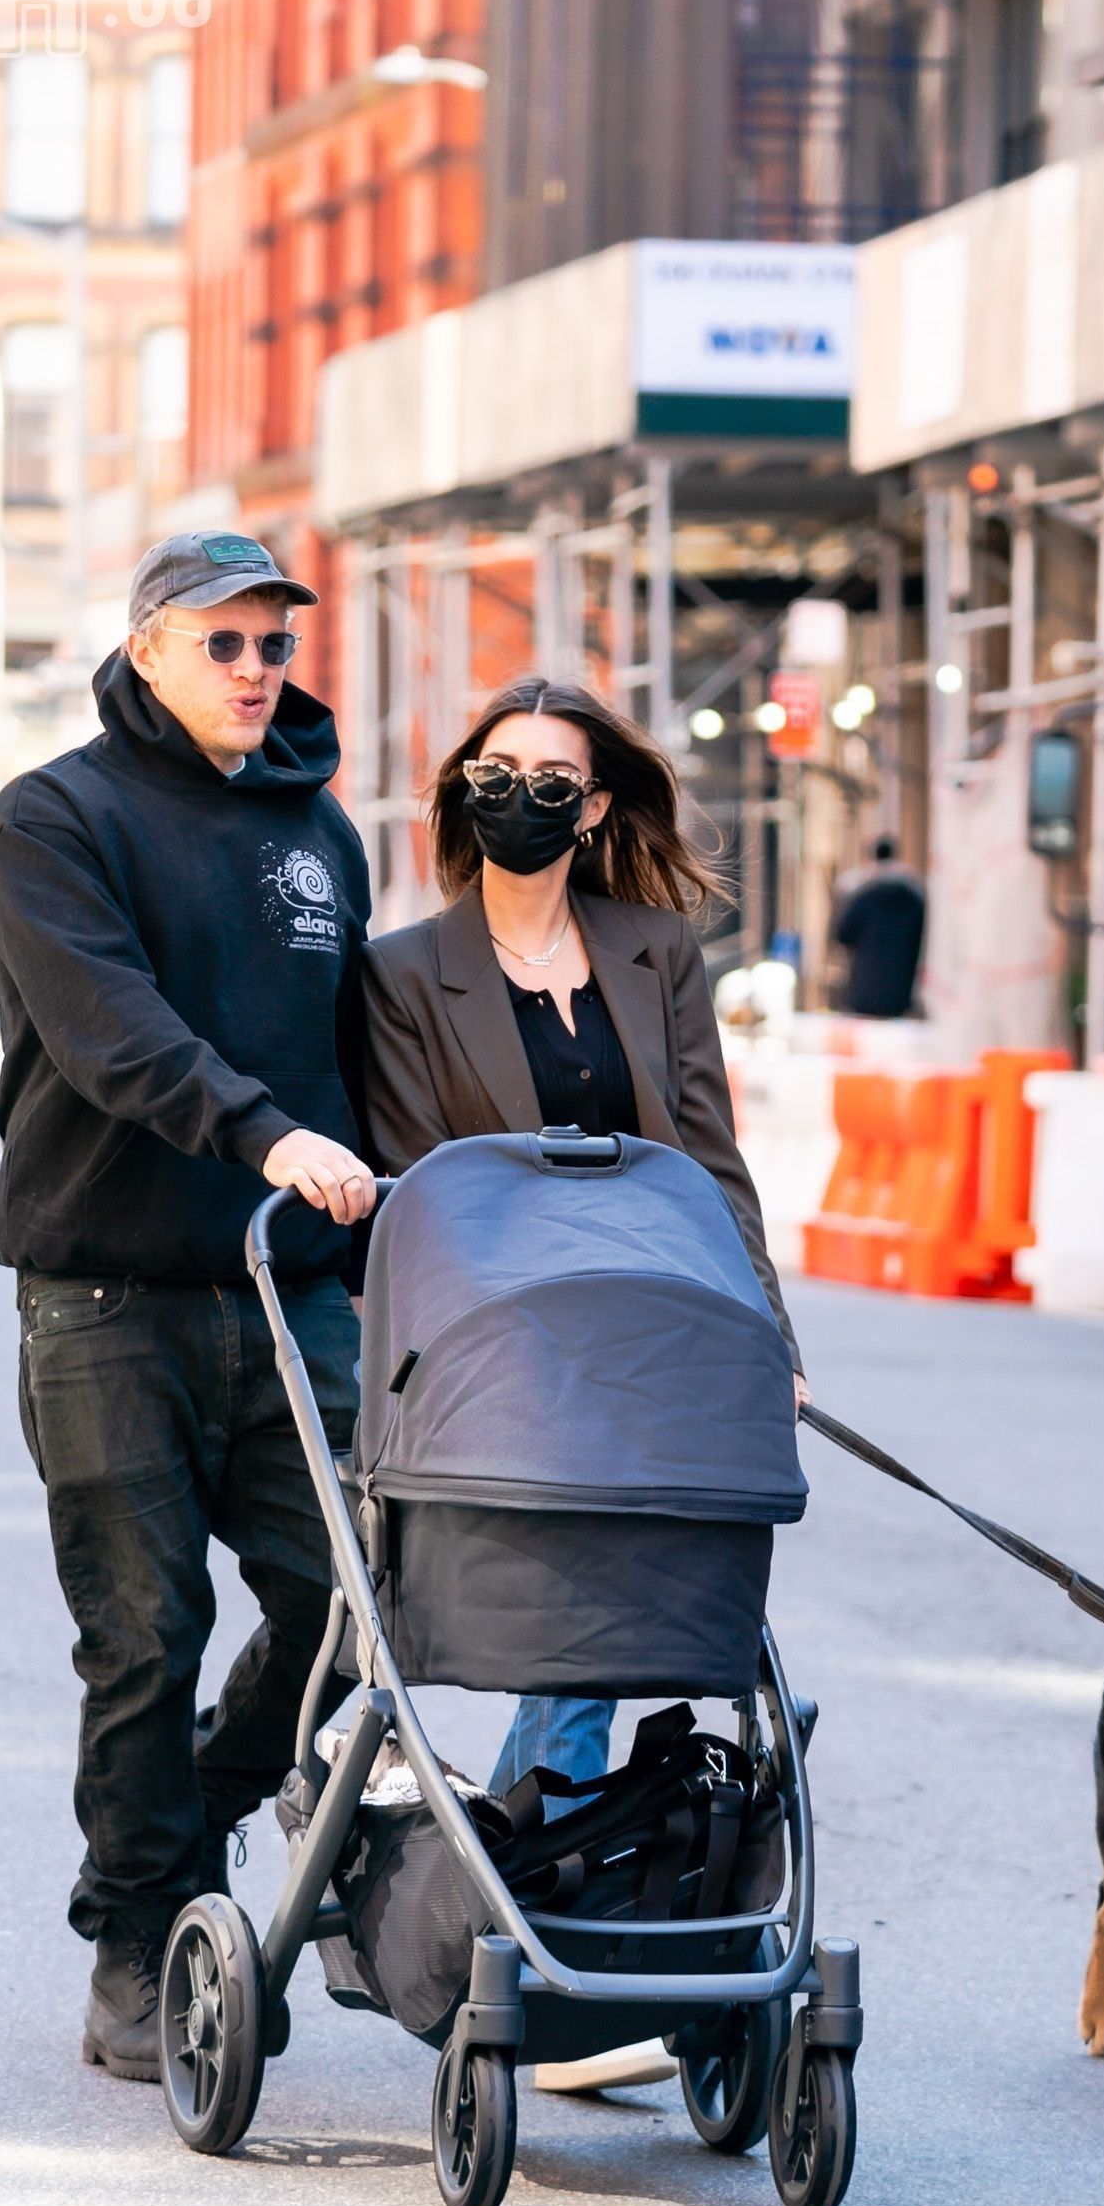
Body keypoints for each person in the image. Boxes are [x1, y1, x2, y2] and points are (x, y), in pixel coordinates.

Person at [0, 532, 378, 2080]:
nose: (257, 669)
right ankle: (138, 1943)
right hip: (105, 1294)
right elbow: (108, 1032)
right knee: (144, 1632)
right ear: (147, 648)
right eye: (224, 643)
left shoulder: (317, 835)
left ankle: (192, 1812)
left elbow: (361, 1063)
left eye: (275, 643)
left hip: (292, 1301)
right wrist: (264, 1131)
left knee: (363, 1604)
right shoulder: (52, 820)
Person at [360, 673, 804, 1809]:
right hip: (505, 1334)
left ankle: (526, 1863)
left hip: (657, 1322)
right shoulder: (404, 972)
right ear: (465, 790)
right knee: (579, 1607)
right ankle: (535, 1864)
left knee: (614, 1612)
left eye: (553, 781)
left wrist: (767, 1337)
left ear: (595, 806)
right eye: (498, 776)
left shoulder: (657, 953)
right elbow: (423, 1184)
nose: (522, 797)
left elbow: (710, 1166)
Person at [830, 834, 926, 1017]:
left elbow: (843, 933)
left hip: (865, 984)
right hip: (900, 986)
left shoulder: (859, 888)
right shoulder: (913, 890)